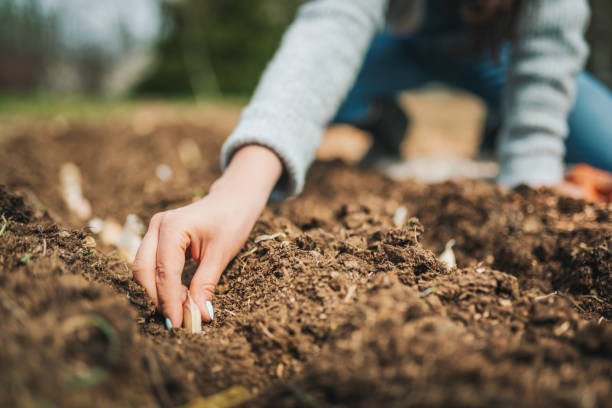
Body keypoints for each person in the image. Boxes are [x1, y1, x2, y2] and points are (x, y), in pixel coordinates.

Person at [133, 0, 612, 329]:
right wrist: (237, 190)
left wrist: (531, 179)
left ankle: (496, 124)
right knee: (301, 96)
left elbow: (543, 87)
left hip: (496, 57)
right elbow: (329, 34)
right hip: (383, 46)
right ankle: (377, 115)